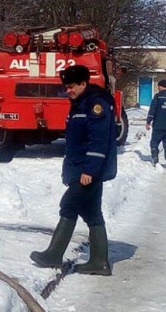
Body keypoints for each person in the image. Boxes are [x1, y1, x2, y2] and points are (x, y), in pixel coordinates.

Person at [30, 65, 117, 276]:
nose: (68, 90)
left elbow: (99, 140)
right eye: (66, 86)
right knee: (92, 213)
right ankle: (99, 262)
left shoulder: (96, 104)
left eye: (71, 86)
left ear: (83, 83)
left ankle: (53, 255)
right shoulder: (80, 104)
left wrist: (90, 170)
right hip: (80, 168)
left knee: (68, 205)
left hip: (87, 171)